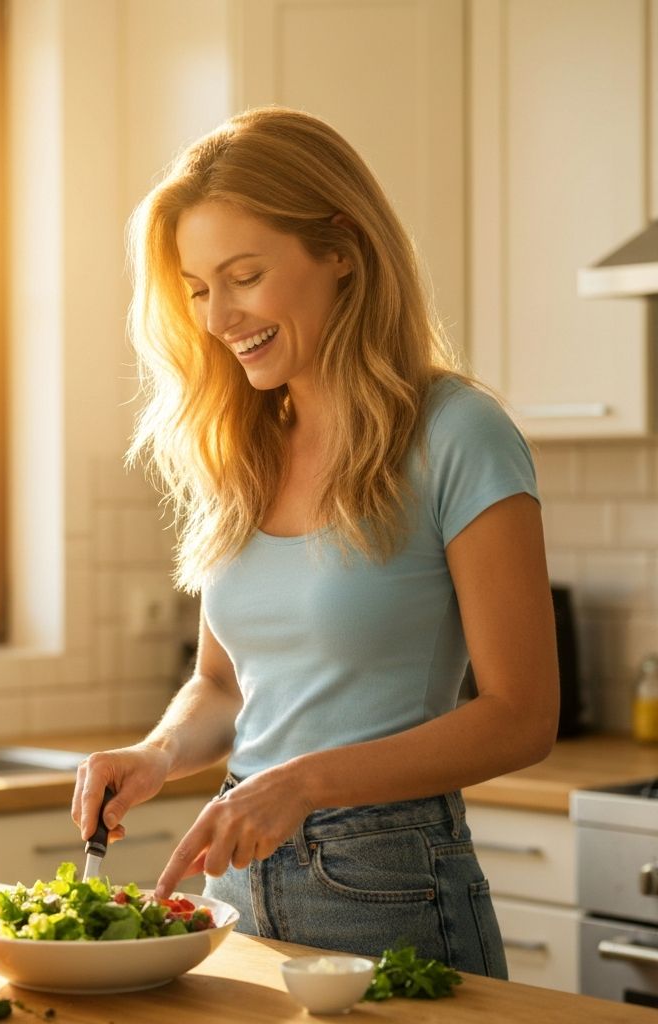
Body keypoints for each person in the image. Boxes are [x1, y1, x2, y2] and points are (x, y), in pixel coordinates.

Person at [72, 106, 559, 977]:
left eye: (244, 276)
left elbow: (523, 717)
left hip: (389, 882)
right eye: (195, 288)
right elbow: (220, 683)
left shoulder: (458, 434)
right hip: (239, 886)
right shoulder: (241, 445)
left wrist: (302, 784)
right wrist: (157, 753)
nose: (218, 316)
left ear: (341, 248)